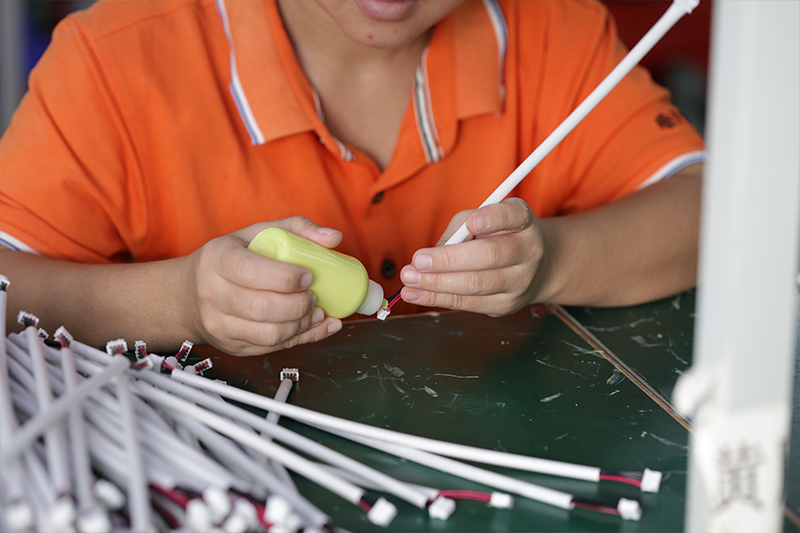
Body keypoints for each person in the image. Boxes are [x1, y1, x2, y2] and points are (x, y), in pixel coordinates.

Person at [0, 0, 704, 357]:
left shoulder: (551, 31)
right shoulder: (115, 61)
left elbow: (711, 211)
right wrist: (179, 301)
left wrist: (551, 261)